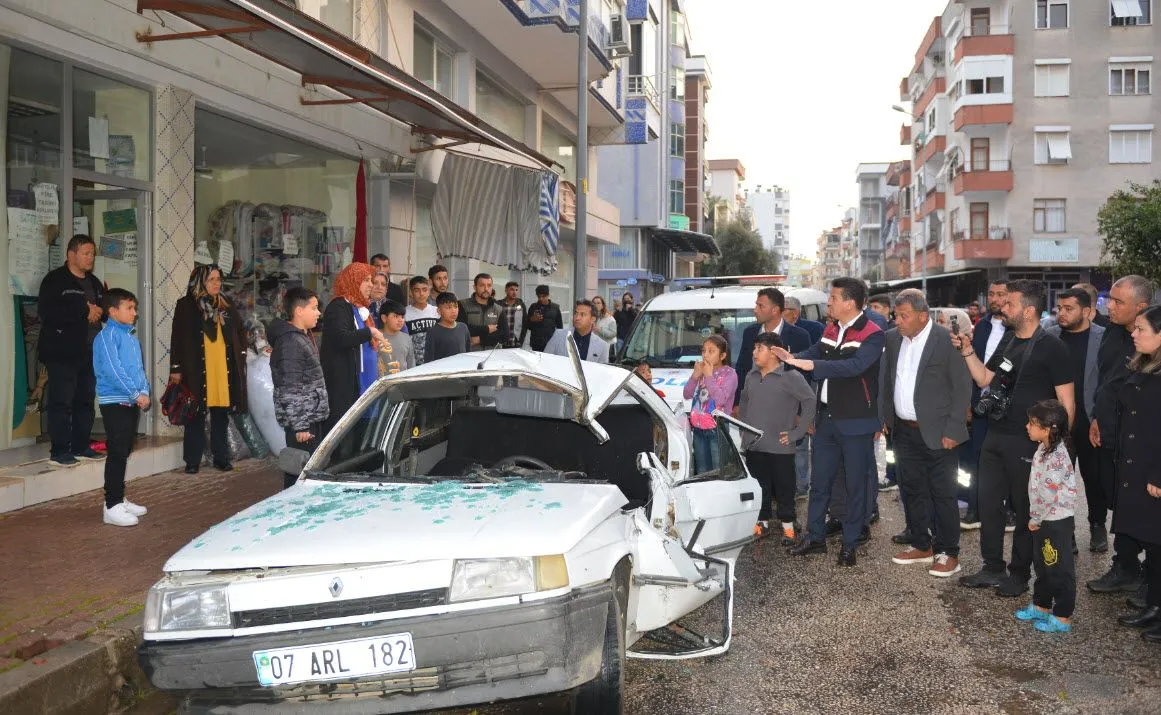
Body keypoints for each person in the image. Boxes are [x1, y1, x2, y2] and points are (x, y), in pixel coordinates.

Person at [953, 279, 1075, 598]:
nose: (1003, 308)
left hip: (1030, 444)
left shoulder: (1052, 346)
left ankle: (1019, 574)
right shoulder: (1008, 339)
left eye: (1010, 304)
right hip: (995, 436)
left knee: (1025, 511)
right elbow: (986, 379)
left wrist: (1053, 449)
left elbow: (1067, 404)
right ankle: (992, 566)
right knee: (989, 505)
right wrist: (967, 353)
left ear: (1029, 310)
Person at [780, 277, 884, 567]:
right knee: (820, 482)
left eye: (833, 298)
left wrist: (810, 365)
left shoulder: (873, 333)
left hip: (857, 421)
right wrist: (791, 358)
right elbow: (815, 353)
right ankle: (815, 538)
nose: (829, 303)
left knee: (855, 485)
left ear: (850, 302)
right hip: (827, 418)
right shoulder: (832, 328)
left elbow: (854, 367)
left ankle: (850, 543)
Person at [881, 289, 972, 578]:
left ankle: (949, 552)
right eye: (896, 315)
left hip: (939, 432)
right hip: (904, 431)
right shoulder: (893, 339)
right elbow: (887, 379)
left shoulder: (946, 340)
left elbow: (962, 387)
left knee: (943, 494)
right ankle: (922, 544)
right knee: (912, 489)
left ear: (923, 316)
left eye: (904, 316)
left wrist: (955, 428)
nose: (898, 321)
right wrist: (885, 417)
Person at [1087, 275, 1154, 599]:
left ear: (1141, 307)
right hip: (1110, 432)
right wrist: (1097, 417)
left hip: (1141, 441)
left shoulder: (1151, 342)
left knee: (1144, 507)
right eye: (1109, 300)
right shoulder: (1113, 332)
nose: (1108, 306)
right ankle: (1125, 565)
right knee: (1120, 502)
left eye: (1118, 302)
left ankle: (1147, 576)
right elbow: (1106, 380)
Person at [1112, 305, 1161, 643]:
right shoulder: (1145, 364)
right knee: (1153, 546)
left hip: (1153, 470)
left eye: (1141, 328)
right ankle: (1155, 606)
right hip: (1136, 464)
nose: (1134, 333)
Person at [170, 265, 248, 474]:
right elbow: (177, 338)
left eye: (218, 279)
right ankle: (192, 460)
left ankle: (220, 458)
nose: (216, 283)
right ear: (199, 282)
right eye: (211, 279)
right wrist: (175, 367)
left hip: (223, 367)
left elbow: (239, 331)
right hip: (196, 368)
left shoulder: (226, 304)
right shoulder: (186, 305)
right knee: (194, 414)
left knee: (220, 414)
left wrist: (242, 354)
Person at [740, 332, 816, 545]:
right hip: (754, 445)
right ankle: (761, 522)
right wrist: (744, 429)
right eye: (754, 348)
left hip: (781, 446)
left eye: (759, 349)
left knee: (785, 487)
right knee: (759, 486)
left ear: (774, 353)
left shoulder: (790, 377)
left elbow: (810, 401)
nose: (754, 353)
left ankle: (789, 528)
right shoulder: (751, 375)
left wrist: (798, 432)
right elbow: (744, 400)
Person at [38, 234, 106, 467]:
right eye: (86, 253)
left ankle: (80, 445)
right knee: (61, 401)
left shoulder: (94, 282)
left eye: (92, 254)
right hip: (62, 353)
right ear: (71, 254)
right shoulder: (55, 281)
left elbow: (102, 310)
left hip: (89, 352)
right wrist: (83, 311)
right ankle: (59, 450)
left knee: (85, 400)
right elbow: (48, 314)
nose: (90, 258)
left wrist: (99, 312)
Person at [1046, 288, 1105, 552]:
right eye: (1060, 308)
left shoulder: (1103, 338)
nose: (1062, 313)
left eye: (1069, 308)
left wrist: (1102, 418)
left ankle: (1097, 526)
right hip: (1059, 423)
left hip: (1091, 421)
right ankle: (1065, 532)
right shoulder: (1050, 338)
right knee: (1059, 480)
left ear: (1086, 310)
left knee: (1094, 479)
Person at [1016, 399, 1079, 633]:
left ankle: (1062, 616)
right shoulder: (1044, 448)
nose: (1027, 427)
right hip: (1043, 518)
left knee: (1058, 567)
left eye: (1032, 423)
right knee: (1042, 563)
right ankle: (1041, 605)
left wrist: (1035, 517)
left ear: (1048, 429)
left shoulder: (1057, 457)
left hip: (1055, 520)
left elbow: (1047, 493)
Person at [92, 288, 150, 526]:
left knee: (124, 449)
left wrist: (144, 390)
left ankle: (119, 497)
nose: (134, 313)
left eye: (134, 308)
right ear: (113, 311)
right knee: (117, 451)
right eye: (129, 308)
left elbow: (138, 369)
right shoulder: (106, 337)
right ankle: (111, 505)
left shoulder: (131, 338)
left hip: (132, 400)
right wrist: (136, 393)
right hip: (115, 401)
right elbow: (114, 371)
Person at [960, 280, 1010, 531]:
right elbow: (972, 365)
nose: (995, 298)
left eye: (1001, 294)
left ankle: (1009, 509)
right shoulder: (982, 326)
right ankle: (974, 508)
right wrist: (970, 403)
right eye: (991, 294)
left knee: (1007, 459)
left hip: (1009, 407)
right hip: (981, 404)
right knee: (977, 457)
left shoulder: (1018, 330)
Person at [268, 287, 329, 489]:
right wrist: (300, 425)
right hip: (303, 422)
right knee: (299, 474)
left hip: (310, 417)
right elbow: (290, 387)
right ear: (299, 311)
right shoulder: (291, 342)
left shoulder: (302, 337)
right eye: (314, 308)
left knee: (307, 473)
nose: (318, 313)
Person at [320, 263, 385, 435]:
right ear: (353, 281)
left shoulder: (359, 308)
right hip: (344, 383)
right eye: (366, 280)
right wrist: (370, 332)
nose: (371, 285)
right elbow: (342, 337)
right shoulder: (339, 306)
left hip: (357, 382)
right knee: (343, 434)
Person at [734, 287, 811, 405]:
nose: (755, 310)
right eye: (756, 305)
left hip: (785, 407)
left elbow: (805, 377)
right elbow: (742, 368)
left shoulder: (799, 336)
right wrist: (737, 403)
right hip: (752, 405)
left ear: (775, 310)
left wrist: (800, 412)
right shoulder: (750, 332)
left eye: (761, 306)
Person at [683, 335, 738, 474]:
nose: (705, 355)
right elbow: (687, 394)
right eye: (703, 350)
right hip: (699, 429)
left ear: (723, 355)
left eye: (711, 351)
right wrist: (695, 376)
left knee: (718, 470)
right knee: (702, 470)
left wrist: (708, 376)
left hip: (717, 429)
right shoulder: (701, 371)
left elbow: (720, 400)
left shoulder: (730, 374)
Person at [545, 300, 611, 363]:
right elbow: (545, 359)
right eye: (576, 313)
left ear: (592, 319)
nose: (577, 318)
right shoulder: (558, 335)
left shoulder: (603, 346)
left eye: (582, 314)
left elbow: (601, 372)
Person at [458, 273, 508, 351]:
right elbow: (461, 329)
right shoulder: (462, 305)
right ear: (475, 287)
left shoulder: (499, 309)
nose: (486, 289)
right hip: (469, 355)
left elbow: (504, 335)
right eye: (482, 285)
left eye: (489, 285)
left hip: (492, 356)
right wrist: (487, 329)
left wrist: (480, 339)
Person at [426, 292, 471, 362]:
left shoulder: (463, 328)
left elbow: (468, 353)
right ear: (439, 311)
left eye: (456, 306)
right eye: (448, 307)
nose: (453, 311)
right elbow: (429, 359)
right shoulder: (433, 332)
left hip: (462, 370)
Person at [404, 276, 439, 366]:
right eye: (417, 290)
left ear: (429, 291)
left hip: (436, 361)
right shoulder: (404, 314)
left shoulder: (437, 312)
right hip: (414, 364)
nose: (421, 293)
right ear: (411, 292)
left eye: (424, 290)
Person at [379, 300, 415, 373]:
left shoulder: (406, 338)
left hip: (402, 382)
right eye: (396, 316)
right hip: (381, 383)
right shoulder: (375, 338)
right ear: (384, 318)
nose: (401, 320)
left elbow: (411, 364)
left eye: (402, 317)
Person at [527, 285, 564, 352]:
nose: (541, 299)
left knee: (549, 361)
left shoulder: (555, 307)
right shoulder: (533, 307)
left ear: (548, 295)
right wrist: (532, 320)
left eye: (543, 296)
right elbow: (527, 326)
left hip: (551, 341)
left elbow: (560, 326)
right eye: (539, 297)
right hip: (536, 343)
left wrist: (559, 341)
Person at [499, 281, 528, 348]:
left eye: (516, 290)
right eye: (512, 289)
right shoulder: (499, 304)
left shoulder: (521, 305)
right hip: (502, 343)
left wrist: (521, 341)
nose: (514, 292)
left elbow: (524, 324)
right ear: (506, 290)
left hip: (516, 343)